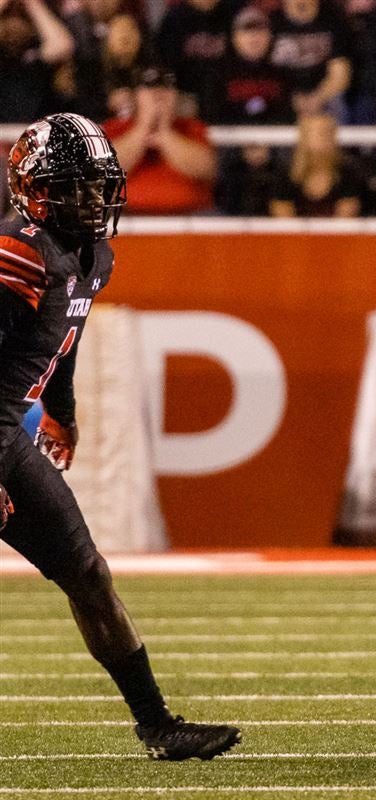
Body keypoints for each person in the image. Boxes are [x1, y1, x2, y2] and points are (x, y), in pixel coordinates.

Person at [0, 112, 240, 760]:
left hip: (4, 440)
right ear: (36, 190)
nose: (95, 199)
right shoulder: (17, 251)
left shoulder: (92, 255)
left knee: (87, 573)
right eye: (77, 186)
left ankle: (157, 725)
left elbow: (63, 342)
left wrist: (61, 412)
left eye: (100, 184)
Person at [104, 66, 217, 214]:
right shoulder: (116, 127)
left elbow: (204, 169)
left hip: (190, 216)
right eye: (149, 89)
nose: (158, 94)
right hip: (126, 216)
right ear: (135, 95)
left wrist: (165, 132)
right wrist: (143, 128)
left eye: (165, 89)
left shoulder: (192, 127)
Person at [269, 112, 366, 217]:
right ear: (304, 138)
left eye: (330, 133)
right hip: (296, 233)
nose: (326, 139)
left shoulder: (348, 172)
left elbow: (345, 220)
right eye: (321, 133)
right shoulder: (286, 173)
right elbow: (283, 220)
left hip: (334, 232)